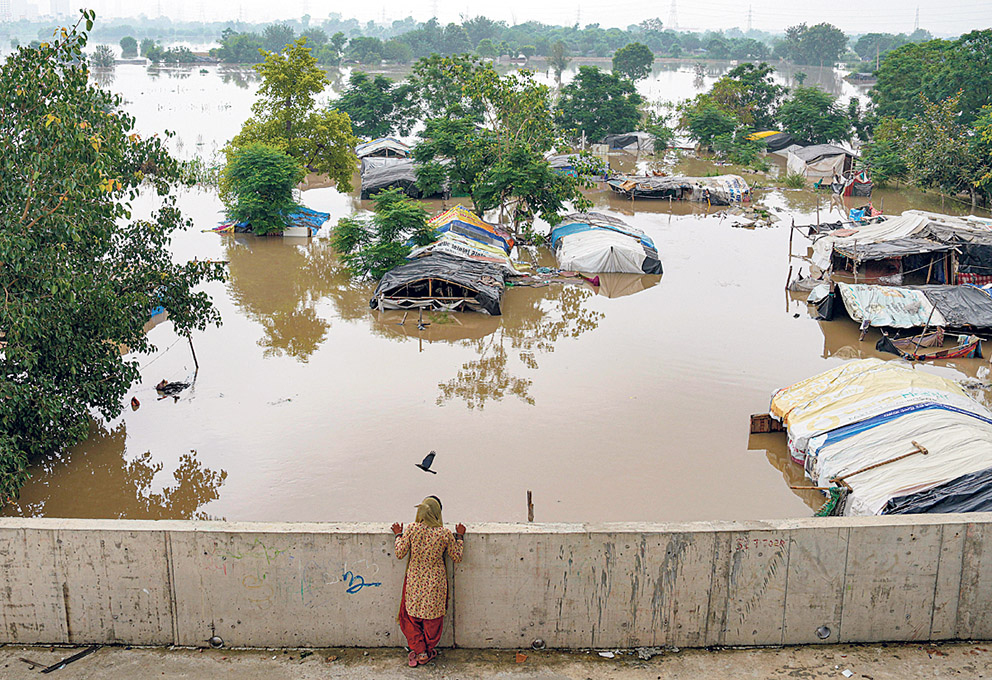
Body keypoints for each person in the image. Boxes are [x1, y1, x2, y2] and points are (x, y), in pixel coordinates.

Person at [391, 496, 465, 667]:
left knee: (411, 617)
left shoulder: (412, 529)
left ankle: (420, 651)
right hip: (435, 583)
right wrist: (460, 536)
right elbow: (457, 557)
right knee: (432, 619)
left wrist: (398, 535)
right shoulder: (444, 533)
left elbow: (400, 552)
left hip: (415, 580)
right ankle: (428, 650)